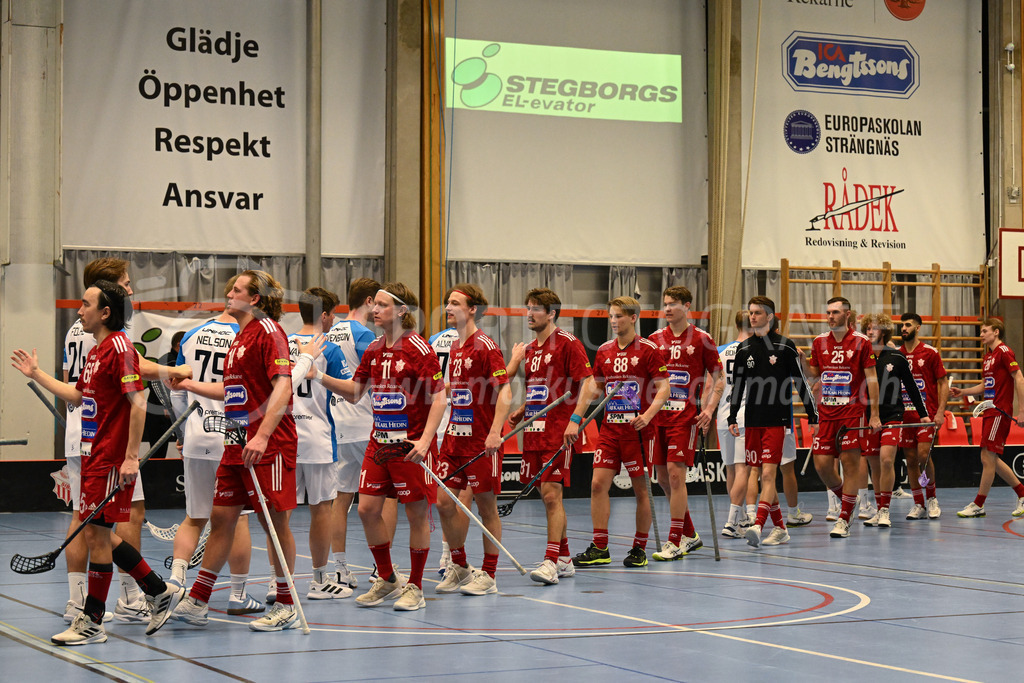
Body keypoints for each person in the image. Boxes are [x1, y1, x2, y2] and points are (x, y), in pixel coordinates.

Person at [12, 280, 184, 645]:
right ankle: (158, 591)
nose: (79, 310)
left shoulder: (120, 349)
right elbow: (77, 394)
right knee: (100, 533)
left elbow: (138, 401)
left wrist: (131, 458)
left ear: (106, 312)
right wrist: (37, 375)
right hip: (92, 456)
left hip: (108, 459)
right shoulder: (97, 350)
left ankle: (92, 622)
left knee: (96, 536)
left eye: (86, 304)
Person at [170, 270, 317, 632]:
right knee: (221, 518)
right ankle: (198, 601)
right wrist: (190, 384)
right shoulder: (240, 338)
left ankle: (285, 604)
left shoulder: (269, 332)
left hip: (268, 446)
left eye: (237, 289)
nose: (228, 292)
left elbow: (283, 386)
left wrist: (263, 435)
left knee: (273, 522)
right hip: (235, 443)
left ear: (255, 298)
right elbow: (233, 392)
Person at [60, 257, 190, 626]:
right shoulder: (107, 334)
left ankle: (79, 601)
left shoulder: (76, 329)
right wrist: (173, 369)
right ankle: (134, 595)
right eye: (125, 283)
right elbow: (135, 370)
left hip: (82, 432)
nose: (131, 290)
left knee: (86, 518)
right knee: (126, 514)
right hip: (104, 437)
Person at [319, 282, 446, 611]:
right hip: (379, 442)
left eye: (383, 305)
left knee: (416, 513)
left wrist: (426, 439)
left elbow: (439, 397)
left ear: (402, 310)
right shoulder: (374, 349)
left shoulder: (418, 348)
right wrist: (319, 376)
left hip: (410, 445)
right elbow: (354, 391)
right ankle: (388, 579)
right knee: (367, 509)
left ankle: (415, 587)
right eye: (374, 305)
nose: (375, 310)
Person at [167, 282, 264, 616]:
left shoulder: (193, 334)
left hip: (195, 434)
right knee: (236, 519)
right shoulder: (246, 337)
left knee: (194, 516)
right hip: (231, 437)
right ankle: (238, 595)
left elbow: (177, 393)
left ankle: (175, 583)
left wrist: (182, 432)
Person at [506, 287, 594, 585]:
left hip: (559, 432)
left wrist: (575, 419)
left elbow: (589, 385)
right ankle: (566, 558)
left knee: (551, 494)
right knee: (546, 497)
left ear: (551, 313)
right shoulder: (529, 349)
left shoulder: (568, 344)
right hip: (533, 432)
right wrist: (522, 410)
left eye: (535, 309)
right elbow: (540, 391)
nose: (529, 313)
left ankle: (551, 560)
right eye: (527, 307)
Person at [573, 297, 669, 568]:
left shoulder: (649, 350)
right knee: (597, 485)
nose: (614, 321)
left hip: (639, 432)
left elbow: (664, 388)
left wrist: (647, 416)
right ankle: (600, 547)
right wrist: (576, 417)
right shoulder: (604, 350)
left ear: (633, 318)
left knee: (642, 491)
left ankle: (639, 547)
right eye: (611, 317)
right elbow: (594, 386)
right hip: (610, 431)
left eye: (619, 316)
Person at [433, 284, 512, 596]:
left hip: (481, 441)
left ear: (472, 309)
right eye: (447, 303)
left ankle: (489, 575)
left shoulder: (486, 346)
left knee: (486, 508)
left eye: (455, 303)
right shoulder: (455, 347)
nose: (448, 308)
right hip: (454, 438)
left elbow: (504, 391)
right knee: (443, 502)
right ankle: (461, 566)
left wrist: (495, 431)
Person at [726, 297, 818, 548]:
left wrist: (813, 415)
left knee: (768, 473)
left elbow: (801, 382)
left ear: (769, 316)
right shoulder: (744, 349)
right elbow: (738, 387)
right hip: (753, 421)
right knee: (760, 474)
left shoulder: (786, 346)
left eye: (757, 313)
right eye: (750, 312)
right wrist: (733, 416)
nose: (752, 317)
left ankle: (758, 524)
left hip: (777, 420)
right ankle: (780, 528)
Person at [647, 286, 724, 560]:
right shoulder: (654, 339)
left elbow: (718, 378)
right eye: (665, 304)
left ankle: (675, 540)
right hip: (657, 418)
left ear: (686, 306)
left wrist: (709, 409)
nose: (667, 308)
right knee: (664, 480)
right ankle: (690, 534)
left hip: (685, 417)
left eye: (673, 304)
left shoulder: (702, 339)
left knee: (676, 474)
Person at [290, 287, 353, 600]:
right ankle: (319, 580)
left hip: (284, 440)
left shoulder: (282, 343)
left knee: (280, 513)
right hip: (317, 439)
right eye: (333, 313)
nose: (335, 320)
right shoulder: (328, 348)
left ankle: (280, 583)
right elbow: (353, 391)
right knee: (321, 510)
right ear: (324, 314)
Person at [806, 297, 879, 539]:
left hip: (852, 414)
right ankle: (848, 500)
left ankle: (844, 518)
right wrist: (800, 362)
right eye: (828, 312)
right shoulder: (819, 342)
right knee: (822, 466)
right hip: (827, 414)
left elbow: (872, 380)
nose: (830, 316)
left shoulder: (861, 342)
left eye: (835, 312)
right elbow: (815, 373)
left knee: (850, 465)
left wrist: (874, 414)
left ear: (847, 315)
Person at [326, 277, 380, 589]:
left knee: (340, 498)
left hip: (336, 425)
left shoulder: (328, 331)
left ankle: (340, 567)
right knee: (383, 494)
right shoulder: (364, 334)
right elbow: (374, 377)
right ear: (369, 301)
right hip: (365, 423)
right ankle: (380, 568)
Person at [859, 314, 930, 528]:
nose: (870, 332)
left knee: (887, 459)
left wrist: (923, 413)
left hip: (892, 415)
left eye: (875, 328)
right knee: (875, 464)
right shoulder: (862, 355)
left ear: (884, 331)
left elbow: (911, 386)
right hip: (868, 418)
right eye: (868, 328)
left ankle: (884, 511)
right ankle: (879, 505)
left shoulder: (897, 357)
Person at [950, 318, 1024, 518]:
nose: (981, 334)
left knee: (987, 457)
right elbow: (985, 386)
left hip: (1000, 411)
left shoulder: (1004, 352)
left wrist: (1022, 410)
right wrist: (963, 392)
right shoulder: (988, 356)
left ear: (996, 332)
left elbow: (1019, 377)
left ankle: (979, 504)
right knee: (991, 458)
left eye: (985, 331)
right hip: (989, 411)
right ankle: (1022, 494)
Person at [898, 313, 949, 519]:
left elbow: (943, 382)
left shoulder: (929, 352)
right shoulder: (897, 354)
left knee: (923, 455)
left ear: (917, 328)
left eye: (908, 325)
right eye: (901, 325)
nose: (903, 328)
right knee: (910, 460)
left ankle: (932, 498)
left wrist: (940, 412)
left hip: (926, 416)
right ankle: (918, 503)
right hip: (904, 418)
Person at [717, 311, 755, 537]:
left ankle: (740, 520)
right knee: (744, 469)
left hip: (723, 415)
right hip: (743, 415)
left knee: (731, 468)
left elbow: (715, 384)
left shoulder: (721, 350)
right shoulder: (753, 349)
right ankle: (732, 522)